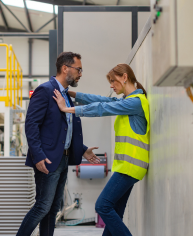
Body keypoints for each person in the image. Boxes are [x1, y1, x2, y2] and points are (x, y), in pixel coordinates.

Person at [53, 63, 150, 236]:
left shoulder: (135, 103)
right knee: (116, 213)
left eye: (113, 81)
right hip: (127, 166)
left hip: (130, 167)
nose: (111, 86)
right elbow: (101, 100)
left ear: (125, 77)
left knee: (102, 206)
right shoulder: (128, 101)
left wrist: (67, 109)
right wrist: (72, 93)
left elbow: (102, 108)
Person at [17, 52, 100, 236]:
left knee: (53, 208)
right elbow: (31, 125)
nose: (80, 74)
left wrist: (83, 150)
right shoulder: (45, 90)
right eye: (78, 69)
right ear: (65, 68)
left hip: (62, 160)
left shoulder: (65, 95)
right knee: (42, 207)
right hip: (47, 159)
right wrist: (37, 155)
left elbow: (63, 130)